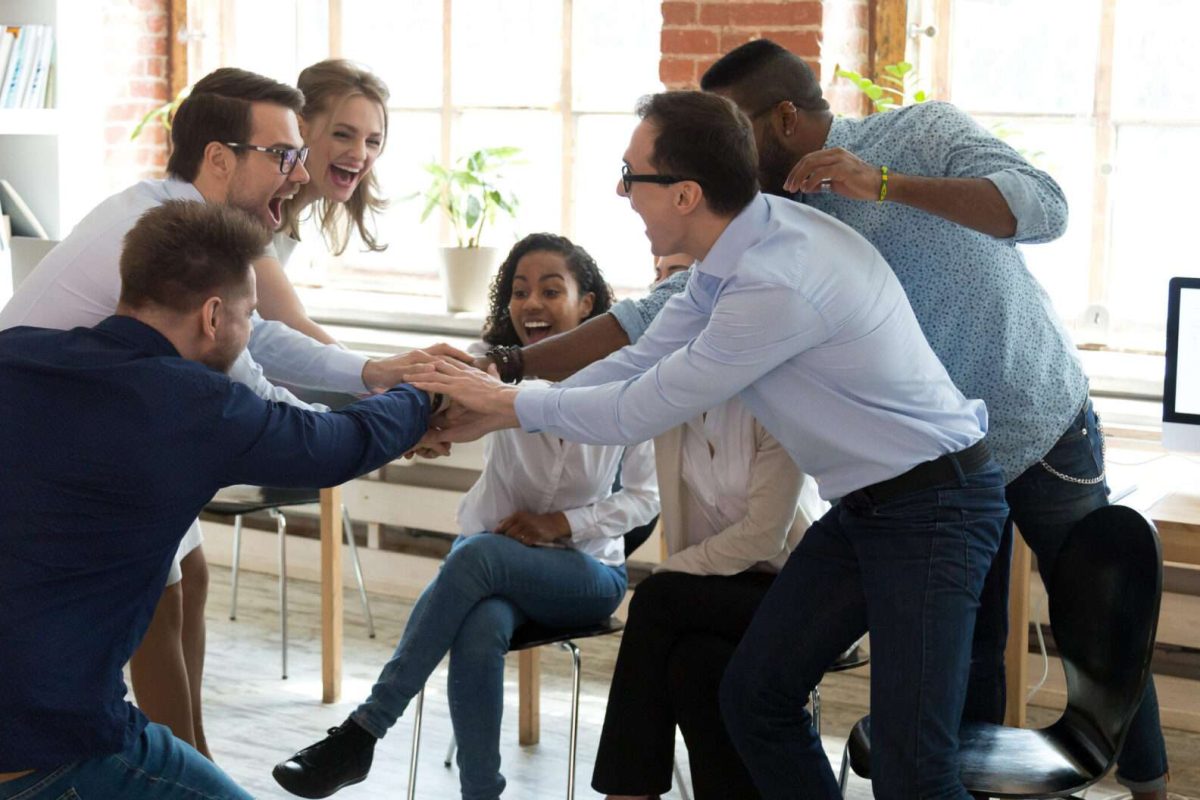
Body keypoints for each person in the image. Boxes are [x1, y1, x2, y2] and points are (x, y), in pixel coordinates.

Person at [410, 91, 1009, 800]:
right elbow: (638, 359)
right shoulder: (739, 250)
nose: (622, 191)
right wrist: (494, 412)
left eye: (632, 175)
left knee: (915, 770)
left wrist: (505, 400)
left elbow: (642, 404)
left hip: (934, 506)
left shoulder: (772, 281)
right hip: (873, 508)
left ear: (687, 194)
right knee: (754, 696)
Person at [698, 38, 1168, 798]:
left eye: (728, 129)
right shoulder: (767, 218)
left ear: (783, 118)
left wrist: (882, 184)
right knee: (964, 663)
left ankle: (1150, 788)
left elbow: (1044, 207)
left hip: (1039, 425)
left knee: (1099, 628)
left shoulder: (918, 133)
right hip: (938, 477)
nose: (715, 150)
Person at [0, 66, 467, 761]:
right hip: (79, 448)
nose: (299, 171)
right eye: (285, 153)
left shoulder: (192, 224)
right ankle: (179, 766)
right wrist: (398, 406)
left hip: (119, 424)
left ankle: (189, 754)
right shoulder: (167, 228)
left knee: (189, 579)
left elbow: (261, 333)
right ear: (219, 158)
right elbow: (246, 385)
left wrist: (375, 376)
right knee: (157, 605)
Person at [272, 233, 659, 800]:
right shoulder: (490, 369)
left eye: (552, 290)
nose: (531, 304)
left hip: (585, 572)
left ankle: (363, 730)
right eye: (520, 291)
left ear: (590, 304)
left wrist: (561, 524)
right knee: (479, 631)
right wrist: (417, 430)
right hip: (490, 563)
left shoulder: (627, 381)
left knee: (475, 554)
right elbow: (431, 401)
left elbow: (646, 498)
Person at [593, 387, 826, 800]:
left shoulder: (777, 402)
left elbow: (764, 538)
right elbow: (603, 400)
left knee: (654, 599)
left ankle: (626, 794)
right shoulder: (671, 407)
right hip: (715, 597)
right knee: (695, 665)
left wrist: (669, 574)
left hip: (797, 596)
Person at [258, 59, 390, 345]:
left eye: (372, 141)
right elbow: (288, 324)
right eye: (342, 134)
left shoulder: (286, 214)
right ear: (300, 128)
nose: (359, 154)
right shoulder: (255, 209)